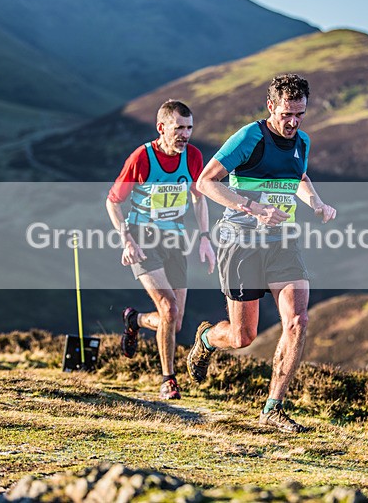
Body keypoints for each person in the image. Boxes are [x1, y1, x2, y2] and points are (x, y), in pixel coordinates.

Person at [189, 74, 337, 432]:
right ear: (271, 106)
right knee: (242, 337)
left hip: (283, 242)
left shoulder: (302, 141)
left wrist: (316, 203)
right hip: (240, 242)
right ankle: (207, 339)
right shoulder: (249, 138)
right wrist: (253, 208)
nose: (293, 122)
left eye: (300, 114)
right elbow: (205, 182)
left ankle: (272, 408)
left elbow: (299, 178)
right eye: (287, 114)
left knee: (298, 320)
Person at [106, 99, 215, 401]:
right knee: (168, 308)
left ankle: (135, 320)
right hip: (143, 239)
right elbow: (113, 201)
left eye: (189, 128)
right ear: (161, 127)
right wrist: (127, 239)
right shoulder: (142, 157)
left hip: (175, 240)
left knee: (174, 322)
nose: (185, 134)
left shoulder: (193, 156)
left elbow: (199, 197)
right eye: (179, 128)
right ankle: (168, 380)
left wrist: (205, 237)